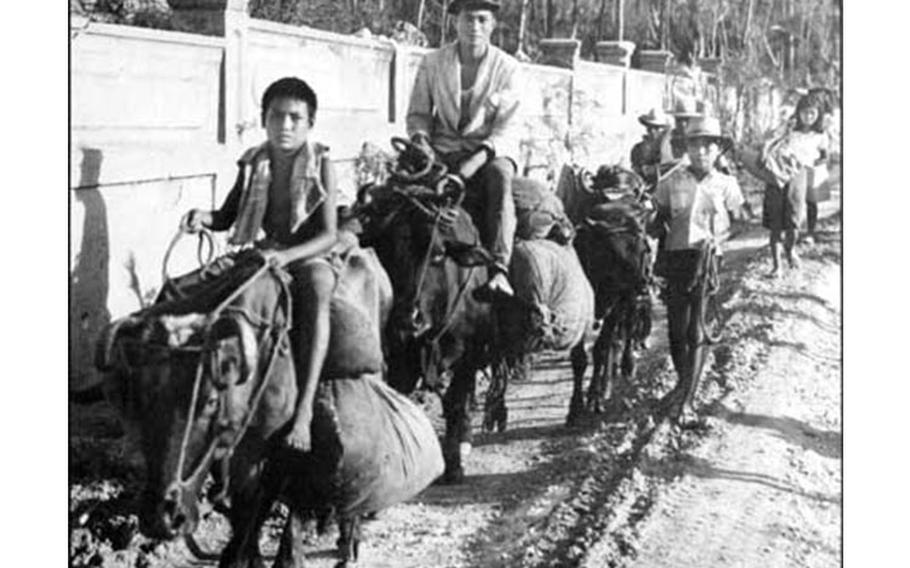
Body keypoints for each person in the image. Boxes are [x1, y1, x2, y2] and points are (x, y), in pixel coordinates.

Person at [181, 77, 339, 452]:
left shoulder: (322, 165)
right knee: (196, 287)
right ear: (264, 119)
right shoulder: (255, 163)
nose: (284, 126)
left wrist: (286, 256)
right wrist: (201, 216)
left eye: (294, 118)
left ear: (309, 124)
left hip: (308, 256)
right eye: (276, 116)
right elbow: (226, 216)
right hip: (267, 253)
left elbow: (329, 235)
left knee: (317, 292)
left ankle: (303, 411)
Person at [405, 0, 521, 301]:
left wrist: (466, 171)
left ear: (493, 24)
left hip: (487, 153)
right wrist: (421, 143)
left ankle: (499, 268)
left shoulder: (508, 68)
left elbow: (505, 129)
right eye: (468, 19)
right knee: (401, 186)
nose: (474, 27)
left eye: (482, 20)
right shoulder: (433, 63)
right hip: (440, 149)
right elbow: (418, 115)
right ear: (455, 22)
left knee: (501, 178)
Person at [651, 116, 744, 425]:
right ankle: (683, 381)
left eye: (708, 144)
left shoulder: (726, 184)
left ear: (718, 149)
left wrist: (718, 239)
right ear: (686, 147)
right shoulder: (671, 181)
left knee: (697, 328)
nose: (701, 150)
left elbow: (739, 221)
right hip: (677, 258)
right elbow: (660, 217)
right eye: (695, 143)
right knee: (677, 330)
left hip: (707, 260)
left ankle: (688, 398)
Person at [758, 93, 828, 275]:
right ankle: (776, 266)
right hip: (778, 174)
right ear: (798, 113)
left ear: (818, 115)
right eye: (805, 113)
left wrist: (808, 164)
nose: (808, 117)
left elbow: (824, 156)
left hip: (799, 176)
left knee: (793, 221)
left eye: (813, 114)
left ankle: (790, 249)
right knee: (775, 222)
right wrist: (767, 154)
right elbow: (769, 142)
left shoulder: (819, 136)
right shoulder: (789, 130)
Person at [630, 107, 674, 188]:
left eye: (657, 128)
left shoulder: (670, 147)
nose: (653, 131)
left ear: (663, 130)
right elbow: (635, 173)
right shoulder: (637, 149)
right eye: (650, 128)